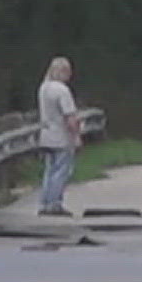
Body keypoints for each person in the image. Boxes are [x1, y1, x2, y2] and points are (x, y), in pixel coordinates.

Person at [37, 56, 82, 216]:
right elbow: (70, 116)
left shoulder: (44, 88)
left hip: (46, 135)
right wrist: (76, 136)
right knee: (61, 170)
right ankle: (55, 203)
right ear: (63, 71)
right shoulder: (62, 90)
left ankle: (45, 201)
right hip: (61, 137)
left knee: (49, 170)